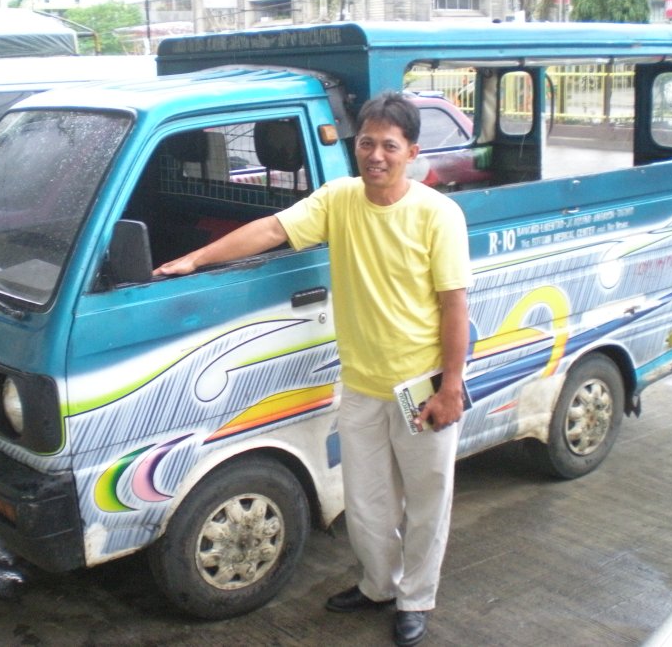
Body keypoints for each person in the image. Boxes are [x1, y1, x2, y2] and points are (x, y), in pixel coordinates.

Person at [154, 91, 470, 647]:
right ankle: (377, 586)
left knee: (426, 501)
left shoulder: (437, 214)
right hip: (362, 386)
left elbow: (454, 306)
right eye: (367, 143)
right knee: (366, 502)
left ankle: (415, 598)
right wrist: (196, 259)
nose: (375, 155)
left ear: (412, 152)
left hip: (420, 388)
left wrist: (450, 387)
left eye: (389, 146)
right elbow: (273, 229)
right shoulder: (340, 199)